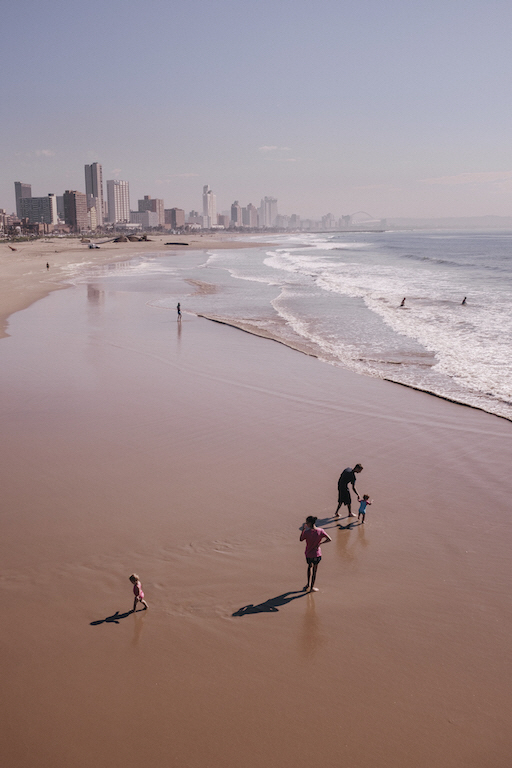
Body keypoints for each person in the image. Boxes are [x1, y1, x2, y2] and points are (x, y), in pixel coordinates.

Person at [300, 516, 332, 592]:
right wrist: (320, 543)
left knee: (309, 567)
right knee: (314, 571)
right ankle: (312, 587)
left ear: (310, 523)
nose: (306, 524)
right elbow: (329, 539)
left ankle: (308, 584)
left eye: (307, 523)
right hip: (317, 554)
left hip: (308, 554)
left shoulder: (307, 532)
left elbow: (301, 539)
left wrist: (303, 530)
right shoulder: (320, 531)